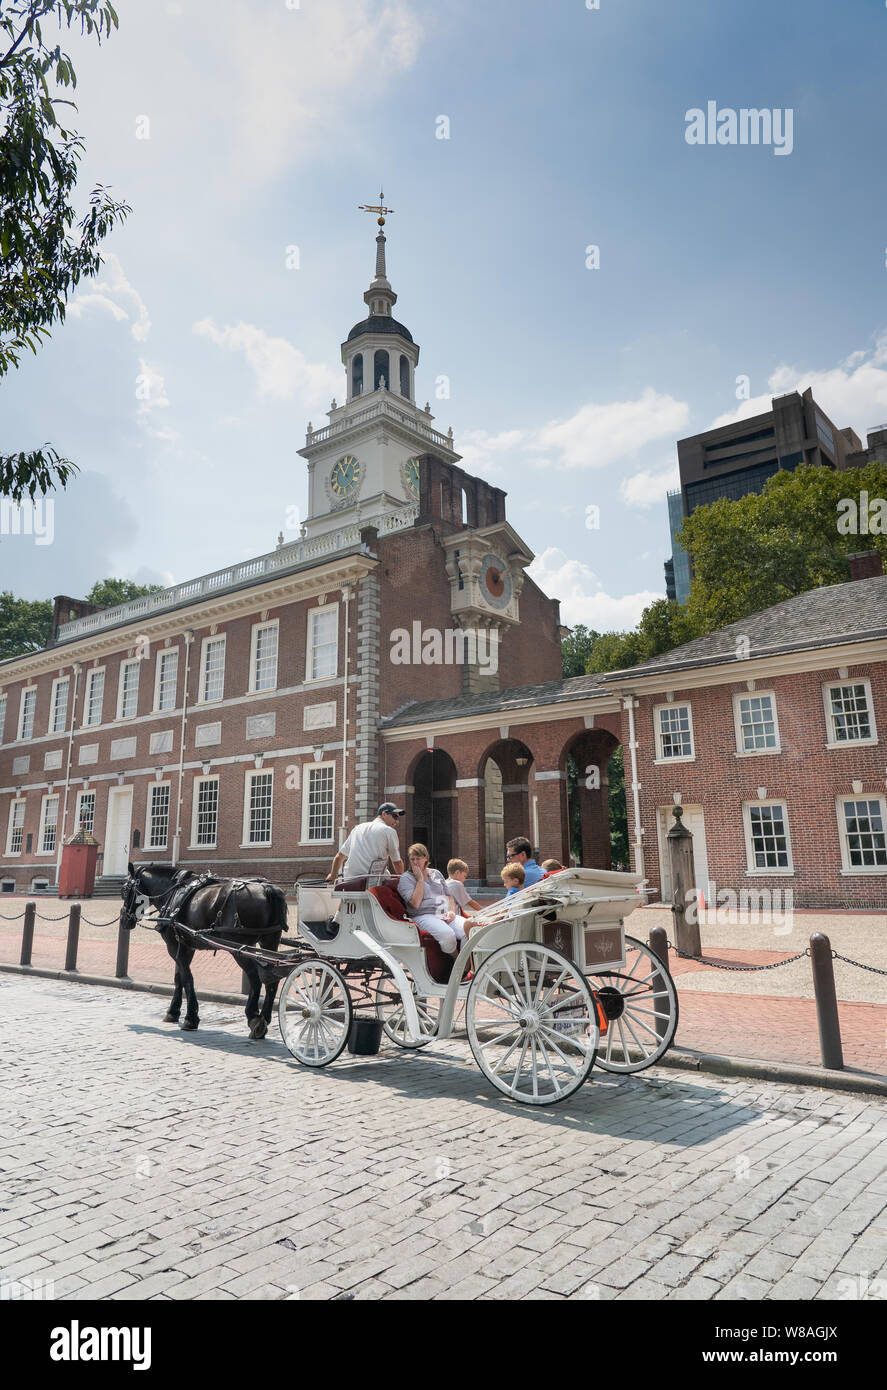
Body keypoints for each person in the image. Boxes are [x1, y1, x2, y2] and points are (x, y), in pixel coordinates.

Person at [398, 843, 468, 956]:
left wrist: (451, 912)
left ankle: (467, 965)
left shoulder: (436, 873)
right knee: (447, 934)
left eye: (418, 859)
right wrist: (420, 880)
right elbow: (415, 904)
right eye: (412, 859)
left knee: (469, 929)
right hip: (422, 915)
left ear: (425, 858)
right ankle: (457, 963)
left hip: (442, 912)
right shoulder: (406, 878)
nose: (415, 862)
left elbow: (448, 896)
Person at [327, 803, 405, 883]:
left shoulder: (357, 828)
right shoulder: (389, 831)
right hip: (374, 882)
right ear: (384, 814)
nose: (397, 821)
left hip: (350, 881)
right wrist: (404, 881)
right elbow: (397, 862)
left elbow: (339, 857)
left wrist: (333, 875)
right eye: (395, 817)